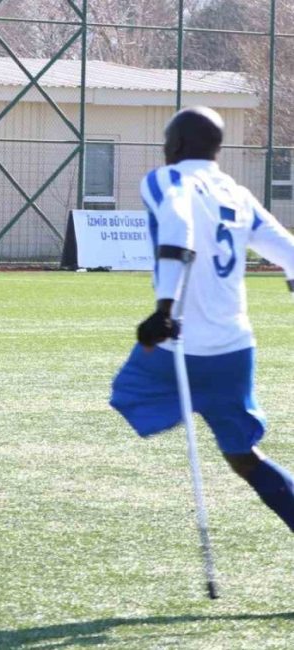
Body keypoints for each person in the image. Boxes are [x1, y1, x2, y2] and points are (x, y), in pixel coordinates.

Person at [110, 106, 294, 532]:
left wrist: (164, 308)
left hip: (181, 346)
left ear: (173, 145)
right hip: (234, 348)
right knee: (243, 457)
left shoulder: (165, 179)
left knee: (128, 394)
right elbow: (286, 249)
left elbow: (178, 228)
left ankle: (182, 407)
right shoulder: (237, 193)